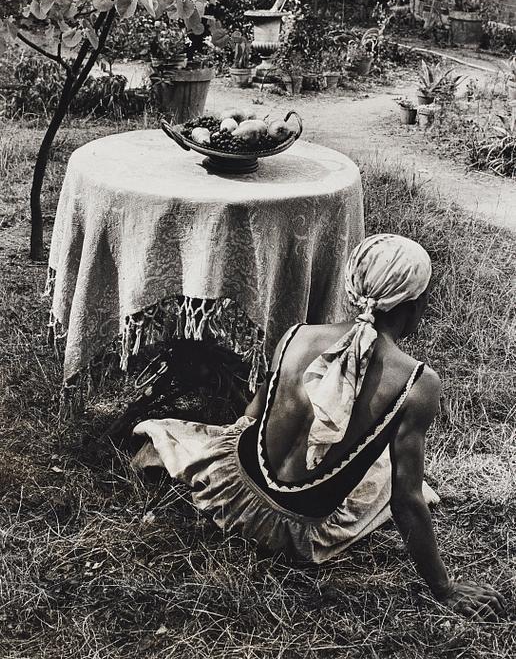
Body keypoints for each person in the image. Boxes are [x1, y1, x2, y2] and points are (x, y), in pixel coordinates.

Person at [132, 234, 505, 620]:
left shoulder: (298, 335)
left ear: (353, 291)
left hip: (230, 489)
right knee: (389, 475)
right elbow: (405, 499)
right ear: (415, 306)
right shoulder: (417, 384)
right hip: (289, 531)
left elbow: (254, 412)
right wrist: (444, 589)